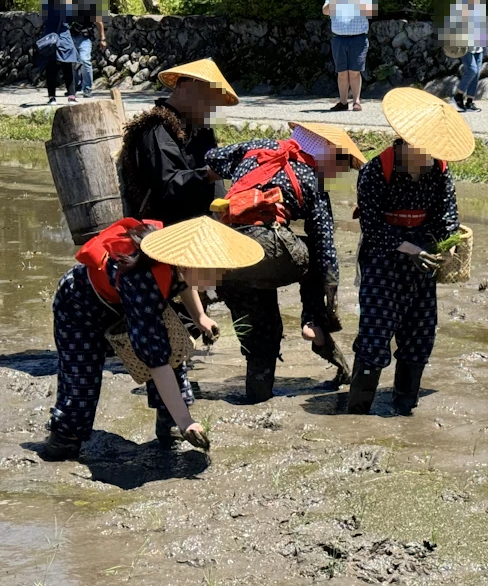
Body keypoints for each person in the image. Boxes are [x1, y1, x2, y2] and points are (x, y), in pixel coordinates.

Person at [41, 217, 262, 461]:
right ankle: (63, 440)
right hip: (79, 307)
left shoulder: (175, 258)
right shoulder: (143, 277)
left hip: (125, 299)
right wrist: (186, 420)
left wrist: (200, 317)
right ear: (189, 264)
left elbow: (181, 282)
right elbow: (155, 359)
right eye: (214, 273)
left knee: (173, 350)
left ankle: (169, 424)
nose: (217, 281)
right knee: (82, 376)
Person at [205, 123, 365, 402]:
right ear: (328, 156)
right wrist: (330, 296)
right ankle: (312, 322)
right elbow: (325, 243)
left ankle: (256, 398)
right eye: (341, 167)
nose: (339, 175)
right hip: (267, 245)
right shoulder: (313, 178)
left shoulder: (255, 147)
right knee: (316, 253)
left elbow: (213, 159)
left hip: (225, 247)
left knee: (262, 334)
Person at [348, 88, 472, 415]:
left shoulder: (440, 171)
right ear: (407, 142)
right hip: (383, 261)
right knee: (374, 339)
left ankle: (404, 409)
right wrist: (409, 249)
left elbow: (447, 218)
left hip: (422, 266)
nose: (430, 157)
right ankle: (357, 414)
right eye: (426, 151)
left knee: (420, 338)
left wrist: (447, 247)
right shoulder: (376, 171)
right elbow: (372, 227)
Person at [119, 59, 232, 225]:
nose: (212, 108)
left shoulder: (201, 129)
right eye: (208, 99)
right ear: (185, 88)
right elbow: (168, 187)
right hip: (173, 229)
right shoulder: (156, 129)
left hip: (209, 222)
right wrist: (210, 174)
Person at [323, 0, 376, 112]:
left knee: (354, 71)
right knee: (341, 72)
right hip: (339, 39)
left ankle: (356, 101)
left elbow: (370, 10)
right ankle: (343, 101)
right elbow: (325, 11)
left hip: (358, 38)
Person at [447, 0, 488, 113]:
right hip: (464, 46)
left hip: (478, 45)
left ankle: (470, 102)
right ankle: (458, 96)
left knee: (476, 73)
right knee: (471, 70)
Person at [37, 0, 77, 105]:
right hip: (63, 36)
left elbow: (43, 18)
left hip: (50, 37)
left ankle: (52, 97)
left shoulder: (46, 3)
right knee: (67, 66)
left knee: (51, 67)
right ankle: (71, 96)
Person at [69, 0, 106, 98]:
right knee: (72, 63)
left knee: (85, 61)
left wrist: (102, 38)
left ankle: (87, 88)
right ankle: (74, 86)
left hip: (84, 38)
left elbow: (98, 21)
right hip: (70, 37)